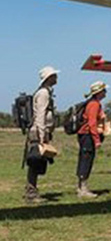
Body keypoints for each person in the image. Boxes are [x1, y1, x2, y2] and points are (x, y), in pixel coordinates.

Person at [24, 66, 59, 203]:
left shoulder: (45, 92)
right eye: (54, 75)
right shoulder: (44, 93)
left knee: (37, 161)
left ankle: (31, 190)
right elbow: (40, 115)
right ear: (49, 78)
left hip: (40, 131)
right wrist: (42, 135)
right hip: (39, 132)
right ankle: (31, 193)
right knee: (35, 161)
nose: (56, 78)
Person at [76, 81, 108, 198]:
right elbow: (92, 123)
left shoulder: (92, 103)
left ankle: (81, 188)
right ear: (99, 92)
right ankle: (83, 190)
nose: (106, 92)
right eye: (104, 90)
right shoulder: (94, 104)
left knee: (85, 159)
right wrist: (96, 140)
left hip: (85, 135)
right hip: (87, 135)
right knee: (86, 160)